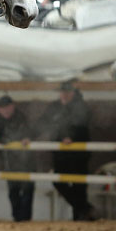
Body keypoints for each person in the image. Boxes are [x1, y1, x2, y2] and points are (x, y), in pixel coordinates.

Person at [40, 80, 98, 221]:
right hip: (61, 154)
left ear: (72, 92)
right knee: (59, 181)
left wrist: (71, 137)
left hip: (78, 155)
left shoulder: (81, 107)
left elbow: (82, 124)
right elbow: (42, 122)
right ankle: (84, 210)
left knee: (78, 186)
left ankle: (80, 216)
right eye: (62, 92)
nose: (64, 95)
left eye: (67, 92)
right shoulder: (54, 107)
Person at [0, 95, 35, 221]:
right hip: (8, 162)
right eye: (3, 108)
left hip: (26, 162)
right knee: (13, 191)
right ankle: (17, 218)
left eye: (7, 107)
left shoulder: (21, 117)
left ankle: (25, 219)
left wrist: (27, 137)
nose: (6, 110)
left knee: (27, 190)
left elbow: (31, 132)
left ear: (12, 106)